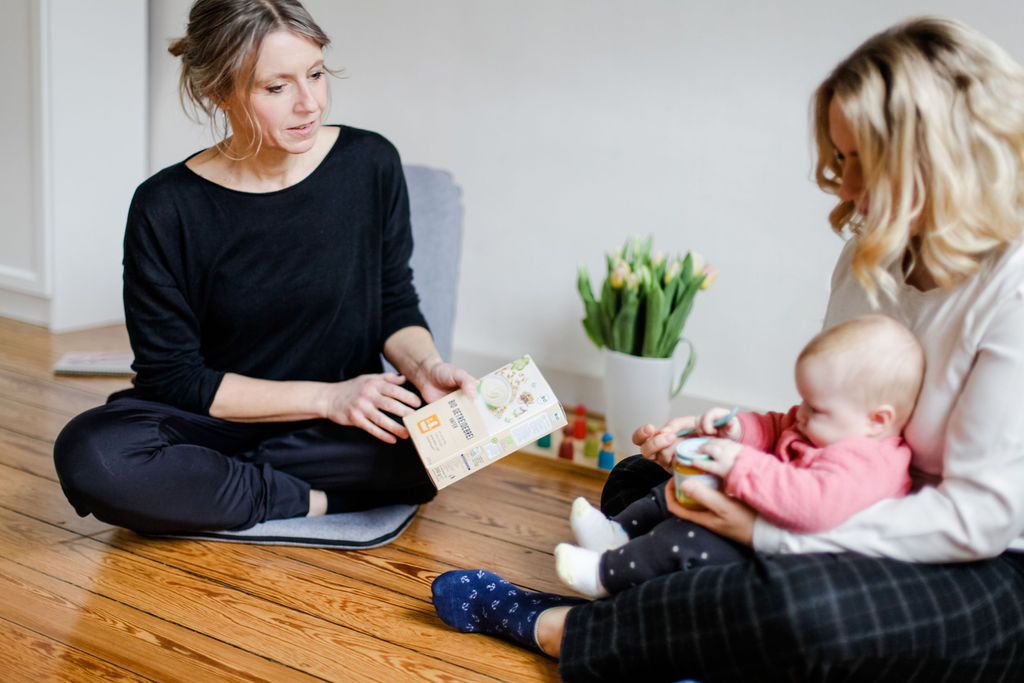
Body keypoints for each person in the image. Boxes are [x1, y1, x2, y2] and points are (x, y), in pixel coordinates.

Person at [431, 16, 1024, 681]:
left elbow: (980, 519)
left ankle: (559, 626)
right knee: (641, 479)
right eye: (841, 158)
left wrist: (770, 534)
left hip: (975, 559)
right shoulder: (871, 251)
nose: (847, 189)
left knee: (809, 608)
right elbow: (835, 412)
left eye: (862, 162)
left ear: (933, 158)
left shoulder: (1011, 291)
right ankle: (691, 640)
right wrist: (727, 438)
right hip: (843, 498)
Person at [52, 0, 474, 534]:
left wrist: (425, 366)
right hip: (213, 418)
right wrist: (328, 397)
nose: (308, 104)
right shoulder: (166, 206)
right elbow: (173, 377)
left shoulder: (370, 163)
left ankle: (206, 488)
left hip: (332, 425)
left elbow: (394, 299)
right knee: (96, 456)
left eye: (316, 75)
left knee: (443, 448)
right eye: (276, 88)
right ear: (218, 93)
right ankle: (306, 499)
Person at [556, 314, 923, 599]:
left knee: (684, 537)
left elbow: (810, 502)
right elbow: (779, 426)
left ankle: (606, 574)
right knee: (674, 488)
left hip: (787, 553)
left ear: (879, 420)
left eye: (817, 408)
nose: (803, 414)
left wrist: (740, 463)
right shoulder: (829, 422)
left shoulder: (870, 465)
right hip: (758, 506)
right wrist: (738, 432)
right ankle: (616, 531)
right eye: (803, 401)